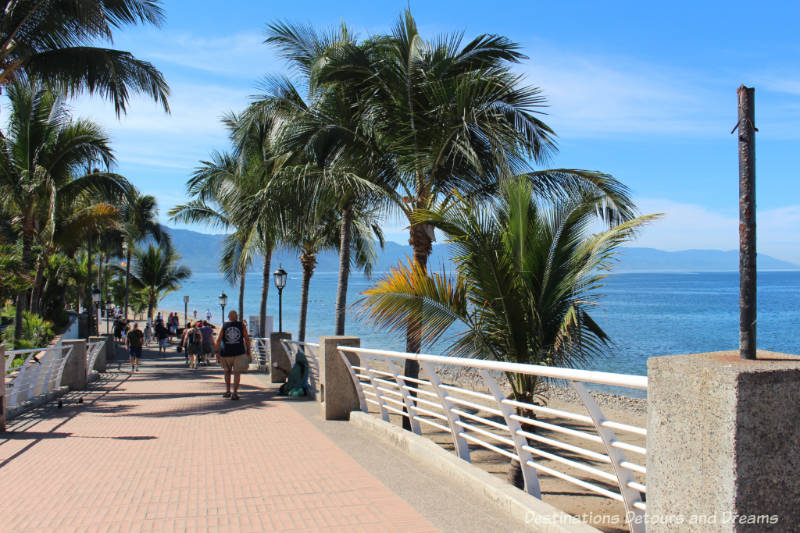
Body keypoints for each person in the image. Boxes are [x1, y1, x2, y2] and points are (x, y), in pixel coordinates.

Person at [214, 310, 250, 400]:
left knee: (227, 372)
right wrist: (248, 350)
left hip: (225, 352)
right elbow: (247, 338)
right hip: (239, 352)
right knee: (237, 373)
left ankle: (227, 391)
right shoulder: (241, 325)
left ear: (228, 316)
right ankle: (235, 393)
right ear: (236, 316)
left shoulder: (224, 325)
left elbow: (218, 339)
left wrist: (216, 351)